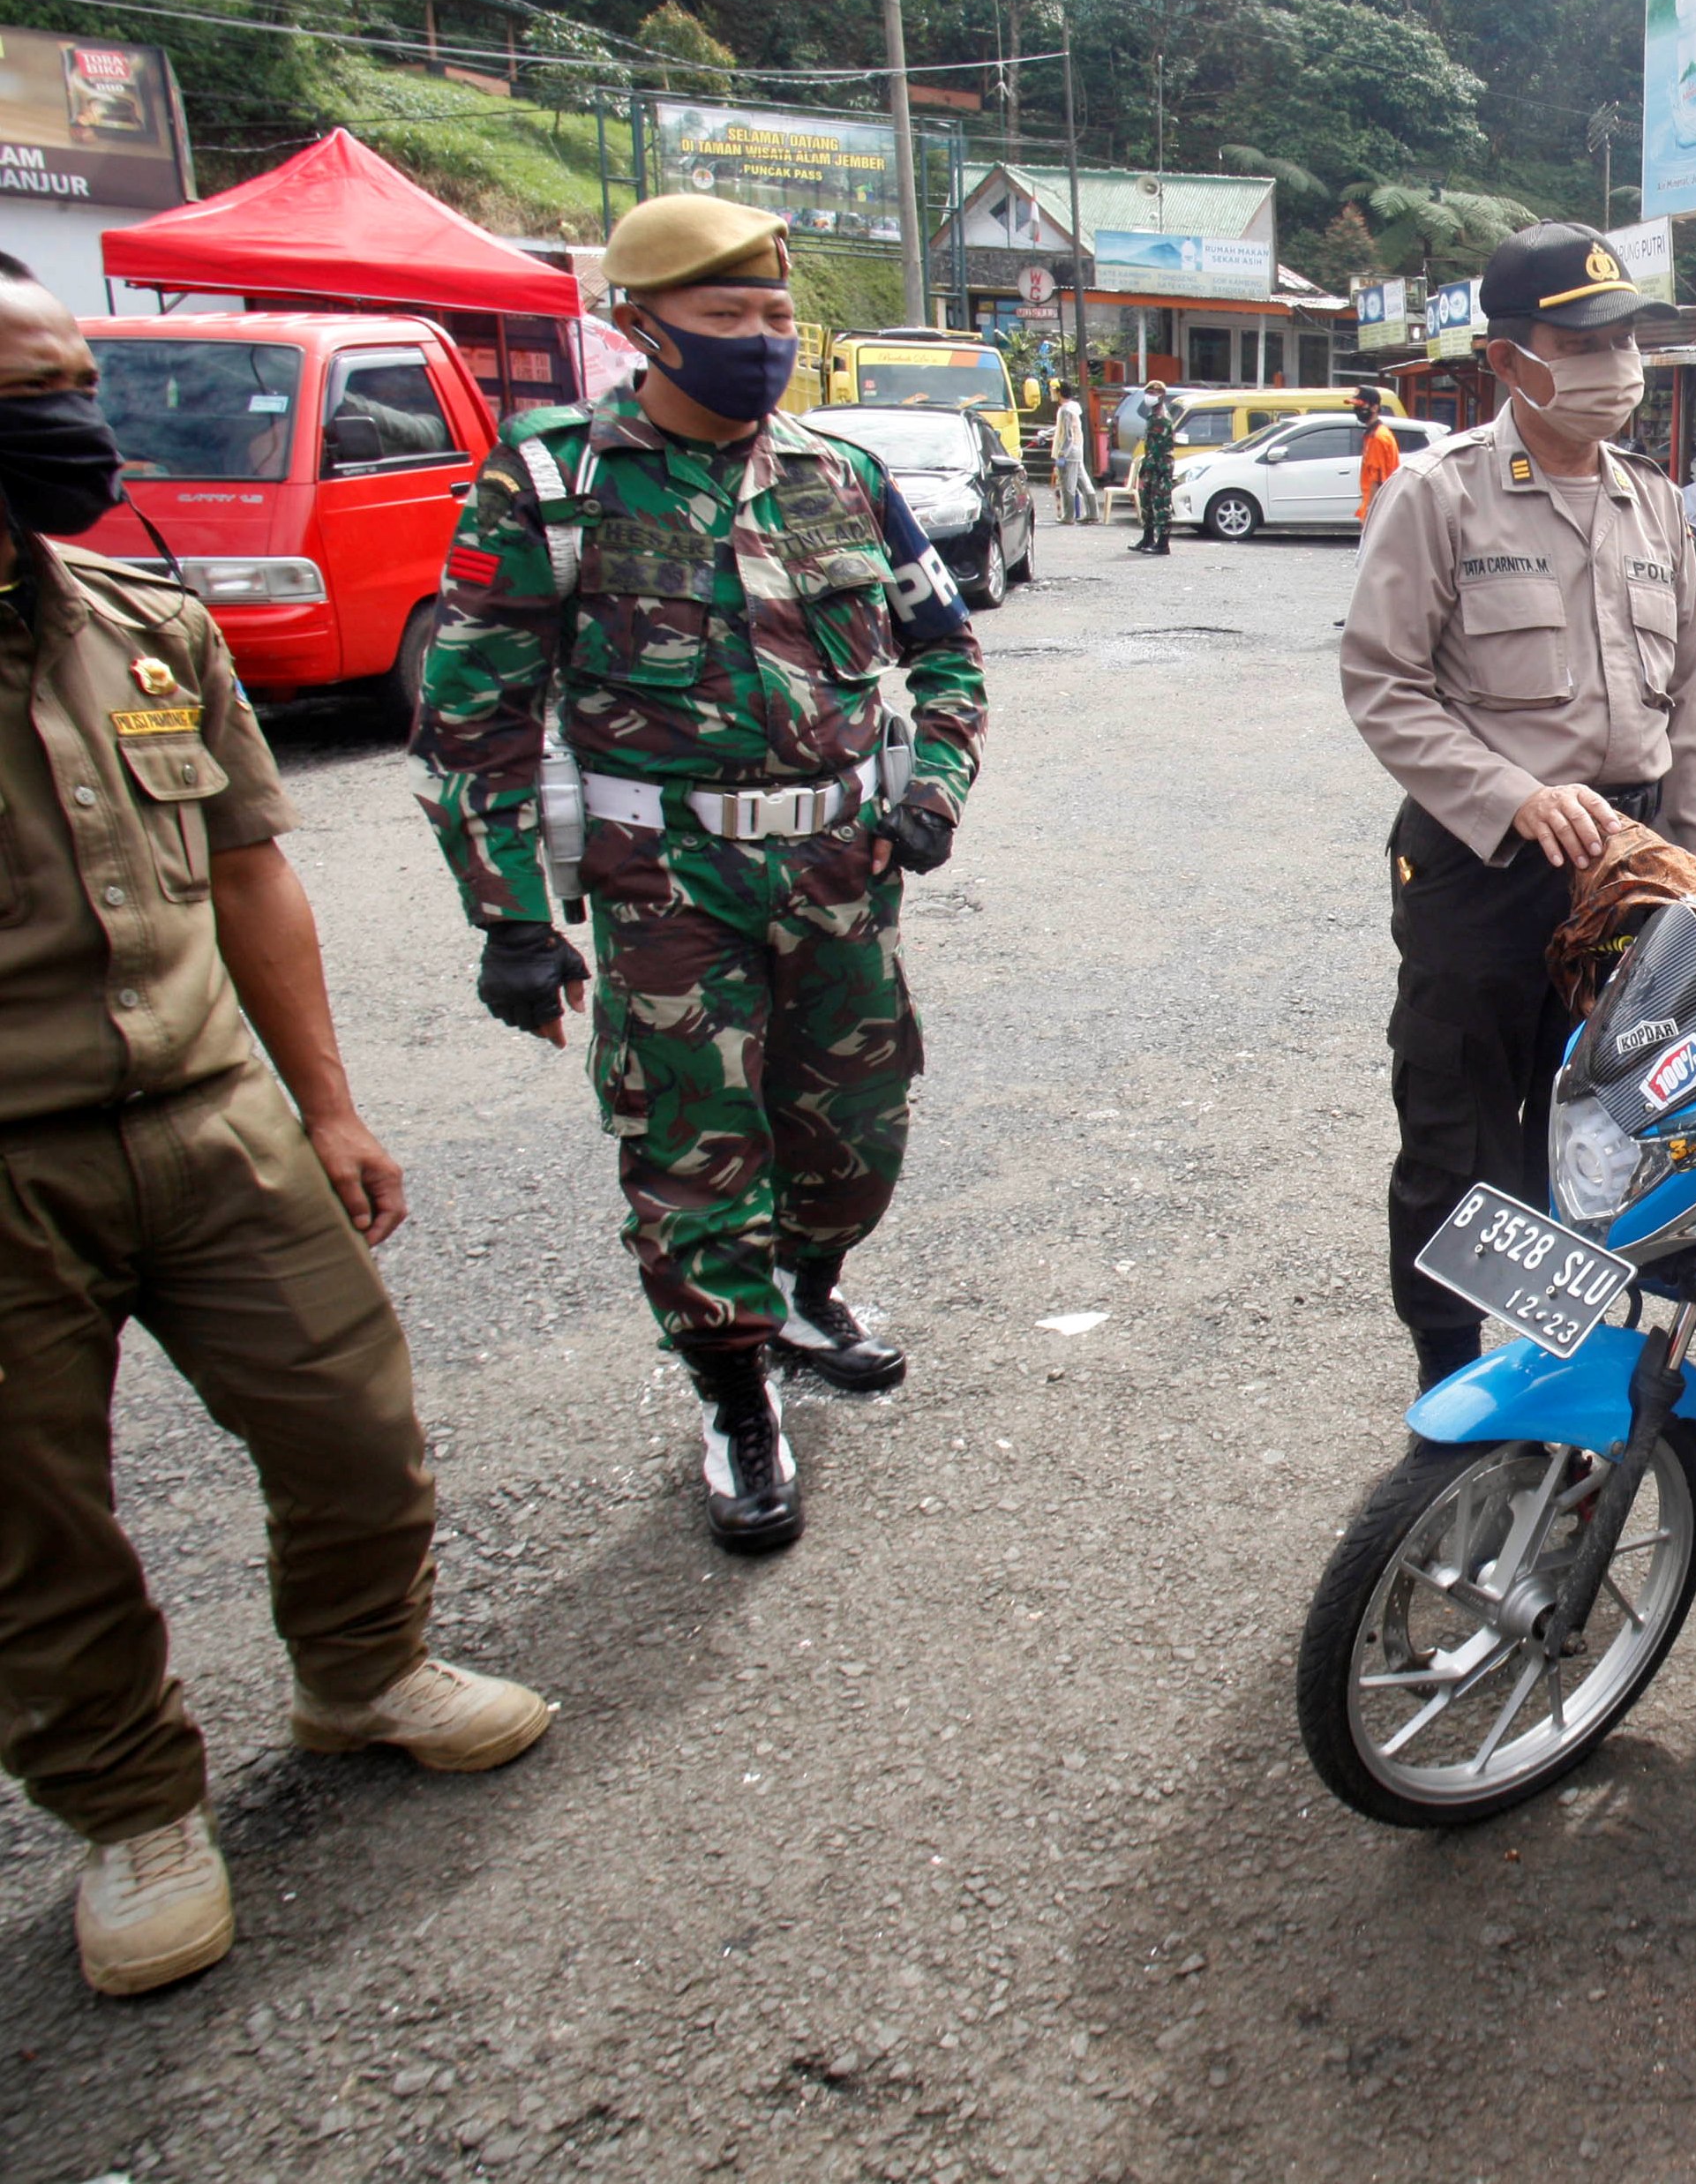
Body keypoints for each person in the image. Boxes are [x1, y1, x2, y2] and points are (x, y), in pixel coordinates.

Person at [0, 253, 548, 1997]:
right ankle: (133, 1809)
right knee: (37, 1523)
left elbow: (253, 876)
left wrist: (324, 1100)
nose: (72, 427)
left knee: (352, 1419)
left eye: (71, 382)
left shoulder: (142, 625)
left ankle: (359, 1669)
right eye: (27, 399)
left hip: (210, 1110)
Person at [416, 192, 988, 1555]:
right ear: (638, 326)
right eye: (723, 318)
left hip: (846, 873)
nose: (759, 341)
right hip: (667, 883)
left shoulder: (839, 476)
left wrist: (941, 785)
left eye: (777, 317)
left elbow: (949, 653)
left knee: (858, 1131)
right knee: (693, 1150)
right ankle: (733, 1393)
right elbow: (473, 716)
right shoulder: (555, 481)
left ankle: (808, 1285)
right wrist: (508, 918)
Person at [1340, 220, 1696, 1391]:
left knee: (1619, 1130)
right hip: (1483, 870)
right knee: (1457, 1129)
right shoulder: (1438, 494)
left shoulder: (1654, 506)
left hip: (1632, 867)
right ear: (1508, 361)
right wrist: (1508, 797)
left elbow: (1693, 700)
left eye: (1624, 338)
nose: (1613, 363)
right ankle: (1447, 1383)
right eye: (1579, 341)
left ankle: (1581, 1384)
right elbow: (1381, 684)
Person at [1129, 381, 1177, 554]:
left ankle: (1163, 543)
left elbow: (1158, 449)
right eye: (1148, 392)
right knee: (1147, 503)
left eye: (1154, 393)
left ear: (1162, 395)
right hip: (1151, 465)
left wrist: (1148, 466)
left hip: (1160, 466)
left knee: (1161, 504)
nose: (1149, 396)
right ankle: (1148, 538)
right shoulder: (1153, 414)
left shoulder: (1161, 418)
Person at [1352, 382, 1400, 525]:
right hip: (1380, 506)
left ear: (1374, 407)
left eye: (1361, 406)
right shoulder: (1374, 434)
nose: (1357, 409)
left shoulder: (1377, 437)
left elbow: (1377, 479)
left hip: (1378, 508)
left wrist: (1370, 512)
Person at [1050, 387, 1092, 526]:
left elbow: (1067, 436)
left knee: (1067, 485)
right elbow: (1062, 429)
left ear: (1060, 393)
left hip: (1069, 452)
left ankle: (1068, 516)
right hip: (1077, 451)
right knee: (1084, 482)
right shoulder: (1074, 407)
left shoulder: (1065, 410)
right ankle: (1093, 513)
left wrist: (1061, 455)